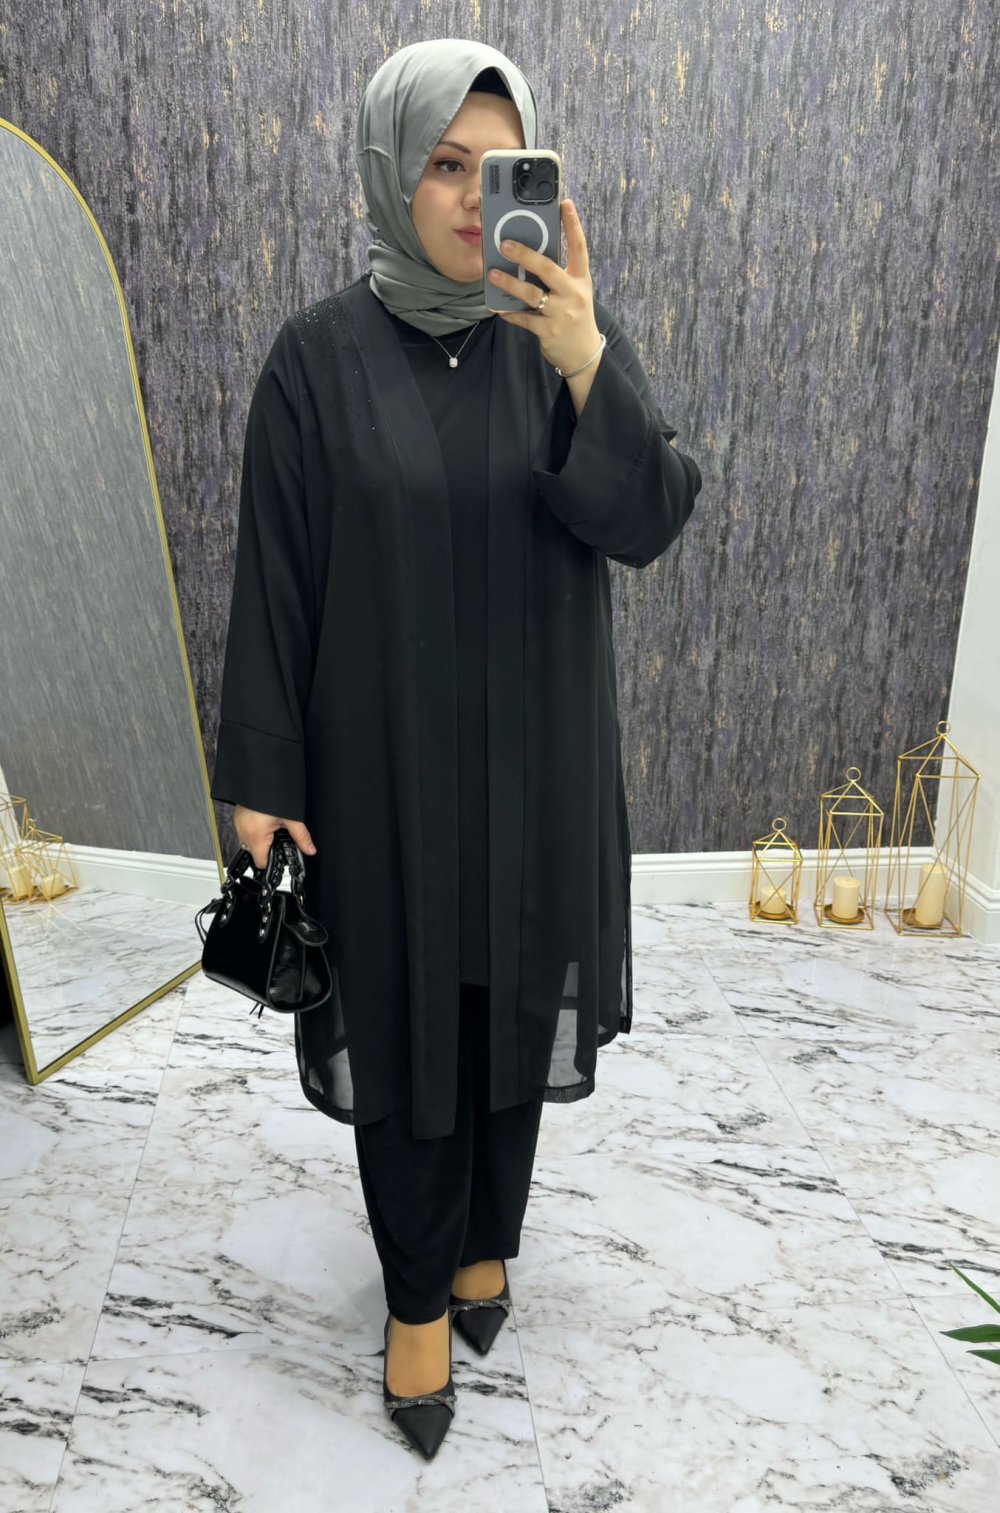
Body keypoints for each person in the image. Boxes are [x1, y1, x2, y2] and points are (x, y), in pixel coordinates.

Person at [209, 38, 702, 1460]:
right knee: (408, 1009)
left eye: (501, 168)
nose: (477, 199)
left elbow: (649, 517)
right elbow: (276, 578)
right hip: (383, 771)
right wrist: (262, 777)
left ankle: (490, 1242)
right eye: (444, 165)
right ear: (392, 173)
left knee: (509, 998)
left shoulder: (555, 340)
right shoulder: (315, 361)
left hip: (535, 764)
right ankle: (418, 1293)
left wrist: (587, 357)